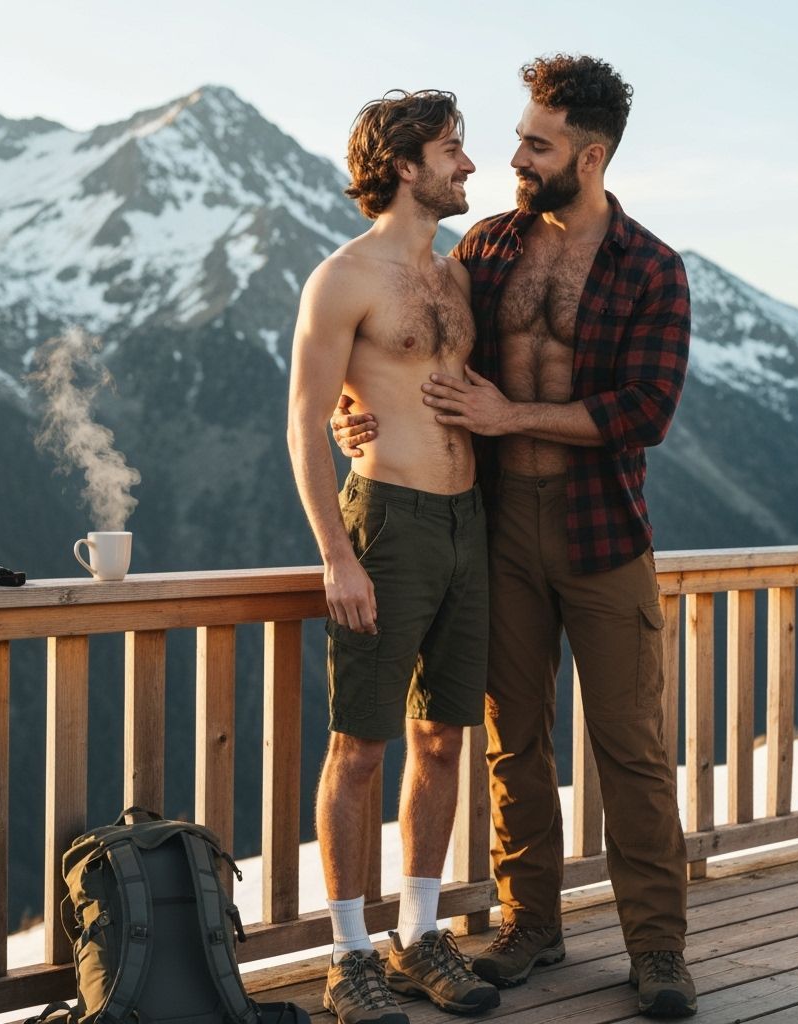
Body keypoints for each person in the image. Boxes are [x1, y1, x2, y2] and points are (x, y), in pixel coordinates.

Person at [334, 55, 696, 1019]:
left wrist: (511, 420)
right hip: (494, 531)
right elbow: (404, 341)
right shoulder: (485, 250)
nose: (514, 157)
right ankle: (531, 923)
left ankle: (658, 947)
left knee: (630, 747)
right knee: (513, 744)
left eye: (537, 144)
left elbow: (645, 410)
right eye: (517, 139)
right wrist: (350, 406)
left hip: (603, 533)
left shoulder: (652, 268)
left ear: (592, 152)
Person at [287, 89, 500, 1024]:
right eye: (453, 150)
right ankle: (348, 955)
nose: (469, 166)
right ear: (406, 165)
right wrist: (337, 555)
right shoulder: (344, 277)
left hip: (469, 523)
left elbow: (444, 383)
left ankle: (419, 940)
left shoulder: (458, 277)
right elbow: (303, 420)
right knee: (362, 745)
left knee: (444, 735)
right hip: (386, 523)